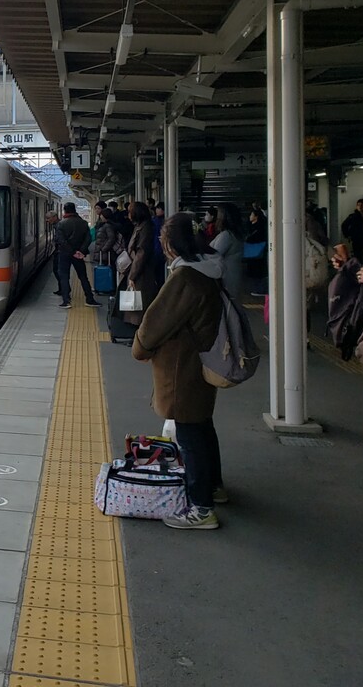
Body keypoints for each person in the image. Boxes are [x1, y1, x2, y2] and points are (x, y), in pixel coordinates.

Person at [131, 211, 227, 529]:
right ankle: (214, 487)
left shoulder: (185, 278)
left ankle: (201, 509)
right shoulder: (209, 269)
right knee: (201, 427)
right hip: (201, 360)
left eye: (163, 239)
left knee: (188, 433)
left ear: (171, 243)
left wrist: (140, 349)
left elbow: (155, 324)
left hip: (181, 366)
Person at [53, 202, 100, 309]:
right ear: (75, 210)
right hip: (79, 255)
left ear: (65, 210)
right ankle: (90, 299)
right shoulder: (83, 223)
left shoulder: (61, 224)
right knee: (83, 276)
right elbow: (88, 238)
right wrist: (80, 251)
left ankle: (66, 301)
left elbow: (61, 241)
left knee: (64, 276)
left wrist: (71, 251)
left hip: (64, 254)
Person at [121, 201, 159, 327]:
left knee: (140, 302)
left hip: (142, 271)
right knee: (136, 302)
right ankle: (136, 331)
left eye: (130, 211)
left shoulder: (145, 228)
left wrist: (132, 275)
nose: (128, 214)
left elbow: (142, 252)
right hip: (138, 269)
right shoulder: (140, 226)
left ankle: (140, 332)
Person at [210, 202, 246, 300]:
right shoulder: (234, 234)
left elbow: (213, 254)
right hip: (233, 274)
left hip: (226, 276)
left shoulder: (226, 235)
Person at [342, 197, 363, 265]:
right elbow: (344, 225)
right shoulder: (352, 216)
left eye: (362, 205)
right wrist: (347, 235)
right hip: (356, 239)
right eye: (359, 205)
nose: (360, 207)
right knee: (358, 256)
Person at [245, 207, 268, 296]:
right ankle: (258, 289)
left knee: (257, 272)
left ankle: (260, 289)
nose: (250, 216)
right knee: (256, 272)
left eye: (251, 214)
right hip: (255, 252)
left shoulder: (258, 228)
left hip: (256, 252)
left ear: (256, 216)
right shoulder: (253, 226)